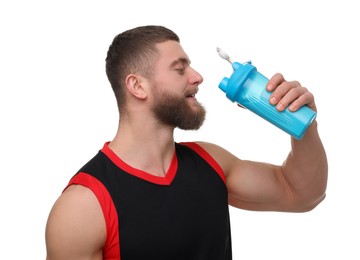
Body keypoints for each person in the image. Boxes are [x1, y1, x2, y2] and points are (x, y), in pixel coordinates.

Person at [45, 25, 328, 260]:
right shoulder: (82, 207)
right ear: (137, 86)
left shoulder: (211, 162)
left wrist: (303, 126)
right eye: (180, 69)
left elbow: (302, 193)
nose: (197, 77)